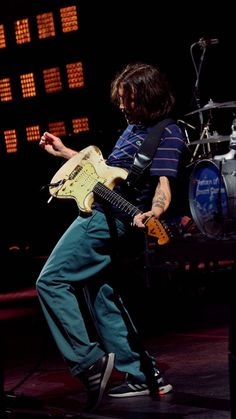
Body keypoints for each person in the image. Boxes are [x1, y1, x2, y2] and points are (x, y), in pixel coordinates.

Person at [36, 62, 186, 412]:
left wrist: (157, 211)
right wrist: (66, 153)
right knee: (102, 294)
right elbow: (103, 175)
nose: (122, 106)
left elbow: (163, 184)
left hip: (109, 219)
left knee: (50, 280)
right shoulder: (132, 128)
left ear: (148, 97)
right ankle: (144, 375)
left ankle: (89, 364)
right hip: (105, 211)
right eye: (121, 99)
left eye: (129, 100)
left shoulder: (168, 133)